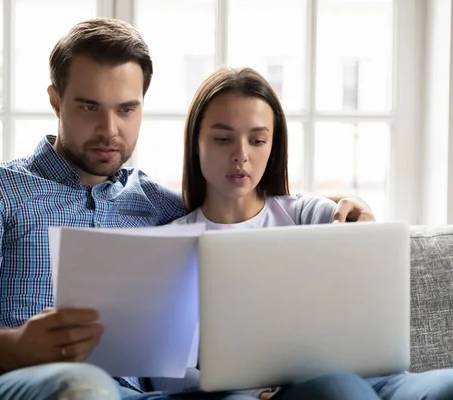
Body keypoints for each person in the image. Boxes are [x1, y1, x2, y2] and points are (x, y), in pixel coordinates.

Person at [0, 18, 377, 400]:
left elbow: (244, 212)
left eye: (126, 109)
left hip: (142, 395)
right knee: (84, 384)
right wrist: (20, 346)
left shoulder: (162, 209)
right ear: (56, 101)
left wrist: (339, 206)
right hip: (9, 382)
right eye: (89, 107)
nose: (109, 128)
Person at [145, 65, 453, 400]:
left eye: (258, 140)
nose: (241, 156)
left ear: (273, 147)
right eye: (222, 139)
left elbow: (362, 278)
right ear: (195, 144)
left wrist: (362, 224)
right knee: (336, 388)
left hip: (379, 380)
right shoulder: (171, 245)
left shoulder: (307, 215)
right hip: (266, 393)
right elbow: (168, 377)